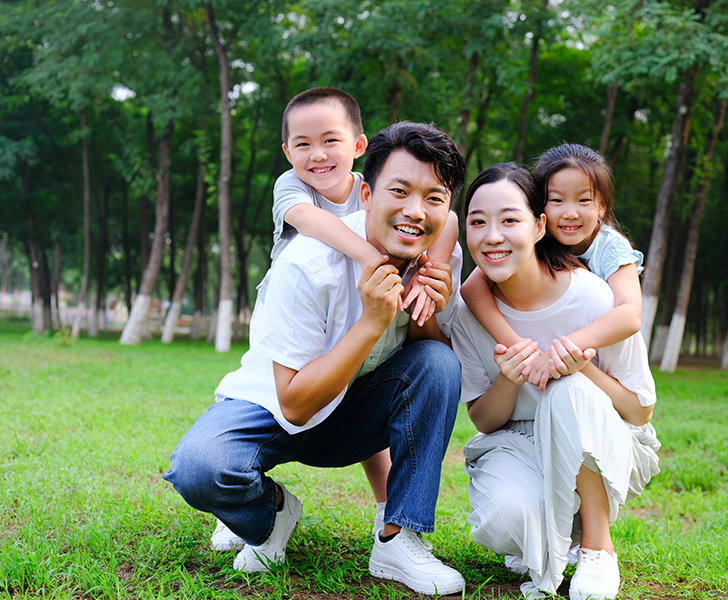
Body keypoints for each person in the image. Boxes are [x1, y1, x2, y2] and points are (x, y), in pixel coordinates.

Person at [164, 121, 467, 596]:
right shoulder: (307, 263)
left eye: (434, 197)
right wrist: (370, 322)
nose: (416, 211)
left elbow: (433, 371)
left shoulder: (435, 257)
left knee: (438, 361)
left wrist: (428, 308)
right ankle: (272, 513)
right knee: (200, 467)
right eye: (400, 191)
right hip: (274, 410)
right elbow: (295, 404)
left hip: (354, 416)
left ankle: (398, 537)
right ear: (366, 194)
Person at [450, 163, 660, 599]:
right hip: (518, 441)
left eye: (510, 220)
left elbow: (640, 410)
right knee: (500, 521)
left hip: (601, 442)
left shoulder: (595, 295)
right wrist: (508, 380)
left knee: (566, 389)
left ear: (539, 225)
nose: (492, 236)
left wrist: (579, 366)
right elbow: (485, 422)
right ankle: (552, 537)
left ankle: (597, 547)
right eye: (477, 222)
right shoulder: (470, 309)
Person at [461, 144, 643, 391]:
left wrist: (560, 351)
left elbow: (630, 315)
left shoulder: (611, 247)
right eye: (556, 200)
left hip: (605, 358)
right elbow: (472, 288)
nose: (570, 213)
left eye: (584, 200)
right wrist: (519, 348)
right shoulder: (530, 240)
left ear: (601, 206)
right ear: (539, 209)